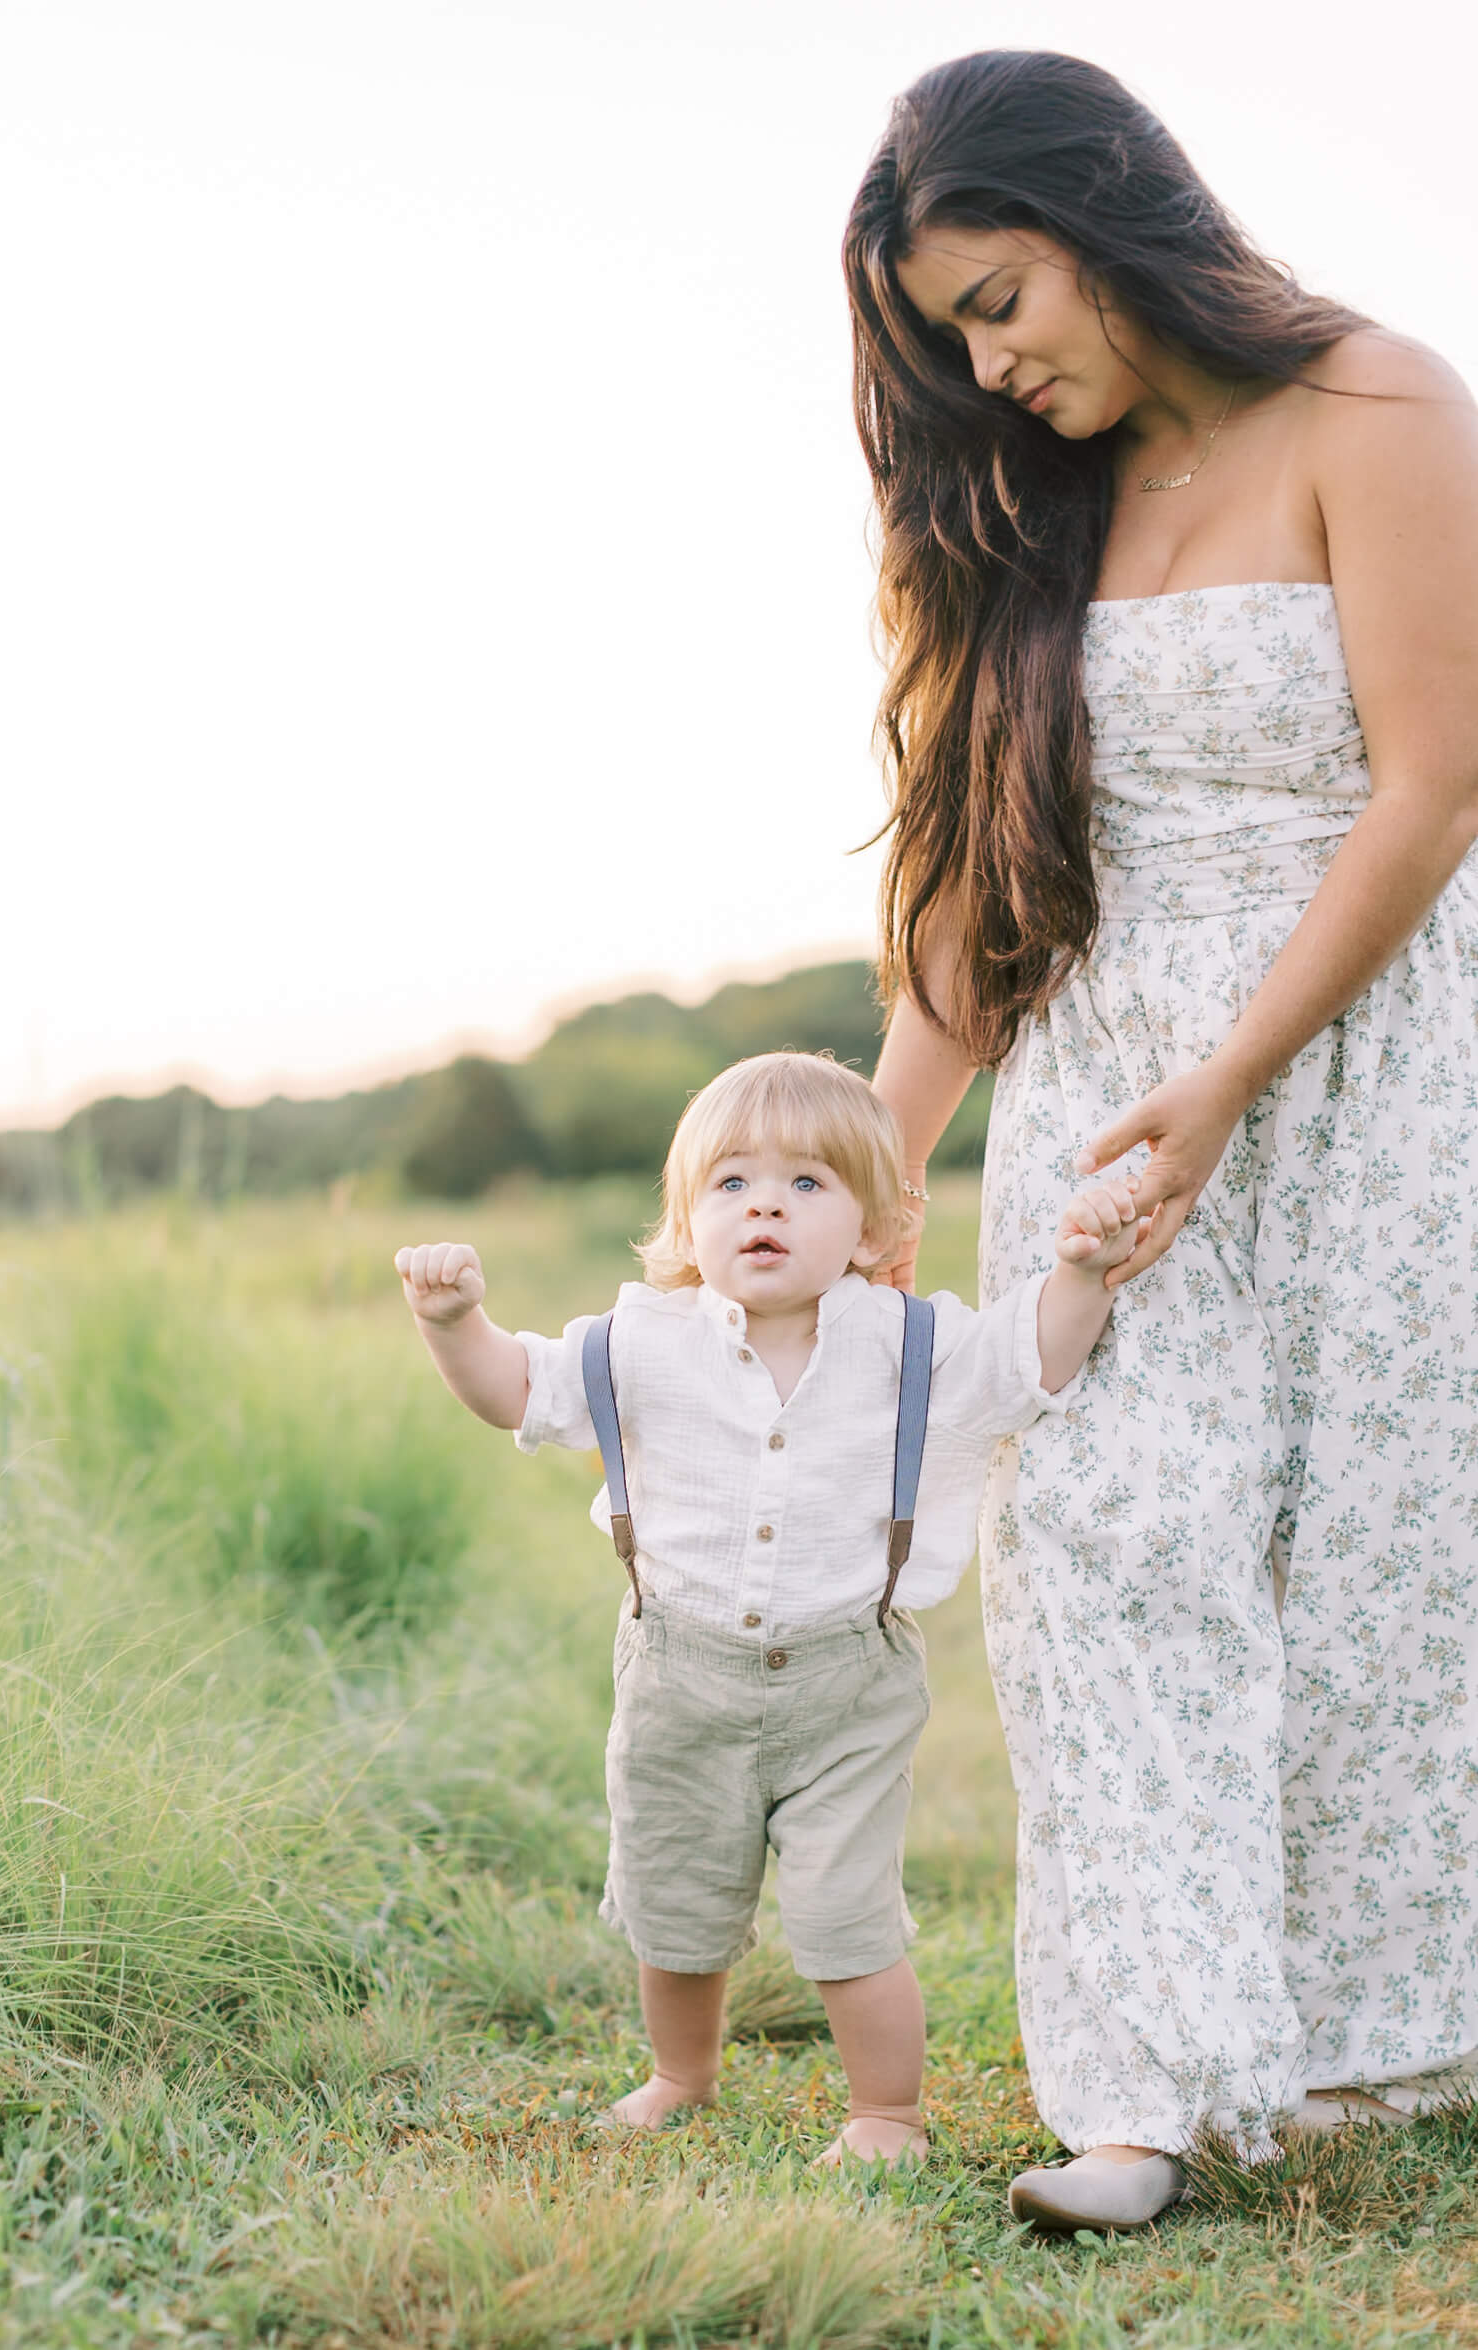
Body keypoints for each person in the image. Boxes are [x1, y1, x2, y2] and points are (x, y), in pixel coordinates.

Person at [843, 48, 1478, 2229]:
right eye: (952, 336)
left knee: (1385, 1549)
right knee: (1107, 1536)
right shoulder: (1022, 510)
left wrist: (1239, 1077)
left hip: (1374, 1058)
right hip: (1107, 1090)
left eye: (1001, 299)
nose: (990, 362)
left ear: (1113, 218)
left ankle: (1371, 2034)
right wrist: (871, 1154)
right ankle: (1148, 2090)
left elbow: (1432, 784)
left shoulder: (1377, 408)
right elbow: (968, 893)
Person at [394, 1050, 1147, 2166]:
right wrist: (455, 1321)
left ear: (873, 1224)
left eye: (807, 1185)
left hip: (847, 1682)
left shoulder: (912, 1345)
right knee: (674, 1901)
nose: (764, 1207)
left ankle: (886, 2111)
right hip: (677, 1673)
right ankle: (679, 2074)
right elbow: (517, 1387)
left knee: (848, 1917)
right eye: (731, 1184)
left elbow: (1028, 1360)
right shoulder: (639, 1341)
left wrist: (1081, 1271)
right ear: (686, 1219)